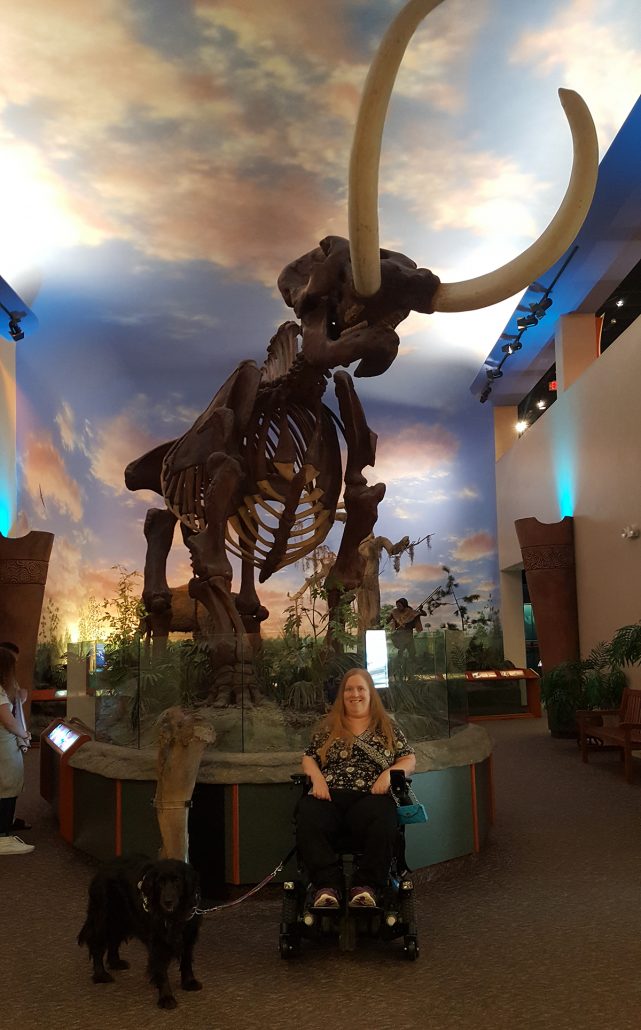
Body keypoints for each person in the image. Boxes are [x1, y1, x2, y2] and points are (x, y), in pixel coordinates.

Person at [296, 667, 415, 908]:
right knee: (307, 811)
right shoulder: (329, 727)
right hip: (330, 796)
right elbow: (309, 757)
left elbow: (408, 758)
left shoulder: (387, 728)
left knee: (385, 814)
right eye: (349, 689)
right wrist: (317, 778)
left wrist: (388, 774)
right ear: (342, 695)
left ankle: (367, 886)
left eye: (361, 688)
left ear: (371, 693)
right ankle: (327, 886)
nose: (355, 694)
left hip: (370, 798)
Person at [0, 646, 34, 855]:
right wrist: (24, 734)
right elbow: (8, 721)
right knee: (7, 786)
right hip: (3, 747)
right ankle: (3, 837)